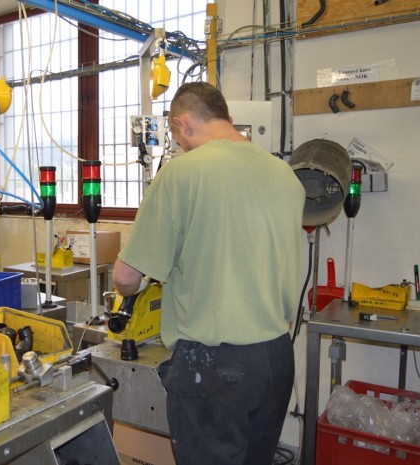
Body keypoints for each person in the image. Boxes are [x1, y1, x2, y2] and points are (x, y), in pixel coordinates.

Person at [112, 82, 305, 465]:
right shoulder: (286, 176)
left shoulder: (182, 173)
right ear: (228, 119)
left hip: (214, 365)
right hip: (276, 357)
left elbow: (126, 278)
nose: (181, 146)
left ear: (182, 124)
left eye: (178, 138)